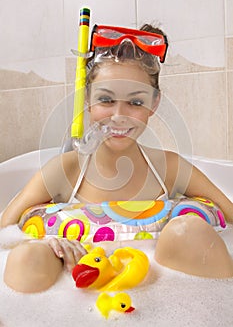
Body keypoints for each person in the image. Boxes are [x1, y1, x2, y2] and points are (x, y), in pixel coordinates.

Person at [1, 23, 233, 293]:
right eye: (106, 100)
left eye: (135, 102)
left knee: (188, 233)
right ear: (88, 100)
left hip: (162, 294)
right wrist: (45, 242)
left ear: (153, 104)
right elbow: (5, 230)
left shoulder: (169, 168)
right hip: (79, 295)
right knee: (27, 259)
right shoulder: (65, 171)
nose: (119, 115)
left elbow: (230, 215)